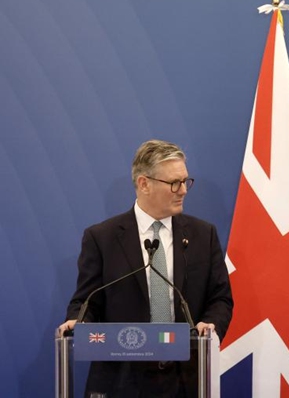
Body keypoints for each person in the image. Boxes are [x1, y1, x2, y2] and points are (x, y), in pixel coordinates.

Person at [58, 139, 233, 397]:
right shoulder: (102, 238)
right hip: (121, 381)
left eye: (186, 181)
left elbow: (220, 298)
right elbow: (87, 301)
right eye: (174, 182)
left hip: (185, 380)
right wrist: (79, 321)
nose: (183, 190)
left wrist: (211, 325)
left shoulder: (202, 235)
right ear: (144, 184)